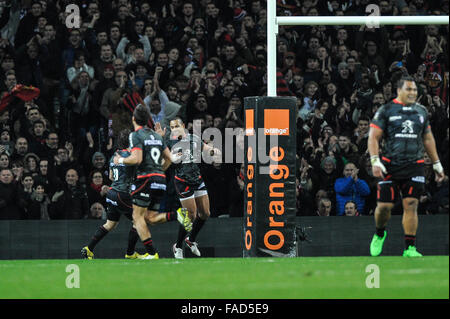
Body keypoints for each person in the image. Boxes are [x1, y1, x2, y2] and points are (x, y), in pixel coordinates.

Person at [81, 128, 192, 260]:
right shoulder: (132, 156)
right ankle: (144, 252)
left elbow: (111, 176)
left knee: (110, 224)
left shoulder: (114, 155)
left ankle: (89, 248)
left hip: (112, 194)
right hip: (124, 194)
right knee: (141, 219)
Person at [368, 76, 445, 257]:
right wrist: (374, 160)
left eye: (415, 90)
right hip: (389, 165)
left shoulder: (421, 111)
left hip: (415, 165)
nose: (413, 93)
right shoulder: (386, 110)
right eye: (409, 89)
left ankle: (410, 248)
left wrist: (437, 163)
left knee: (411, 204)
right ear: (399, 91)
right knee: (385, 207)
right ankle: (380, 233)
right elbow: (373, 137)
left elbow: (427, 138)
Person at [112, 105, 179, 260]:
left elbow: (137, 159)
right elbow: (171, 158)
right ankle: (178, 215)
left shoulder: (135, 135)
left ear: (133, 119)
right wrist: (159, 171)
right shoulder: (157, 137)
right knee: (150, 218)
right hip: (160, 179)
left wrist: (119, 160)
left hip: (145, 179)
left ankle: (152, 252)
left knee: (137, 217)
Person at [160, 117, 221, 259]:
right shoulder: (170, 142)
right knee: (191, 215)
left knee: (205, 213)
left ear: (183, 126)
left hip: (197, 178)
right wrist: (172, 158)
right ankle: (178, 246)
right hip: (182, 181)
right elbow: (163, 165)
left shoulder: (194, 138)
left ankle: (191, 240)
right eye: (172, 127)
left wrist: (213, 151)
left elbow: (206, 150)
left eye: (176, 126)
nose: (174, 129)